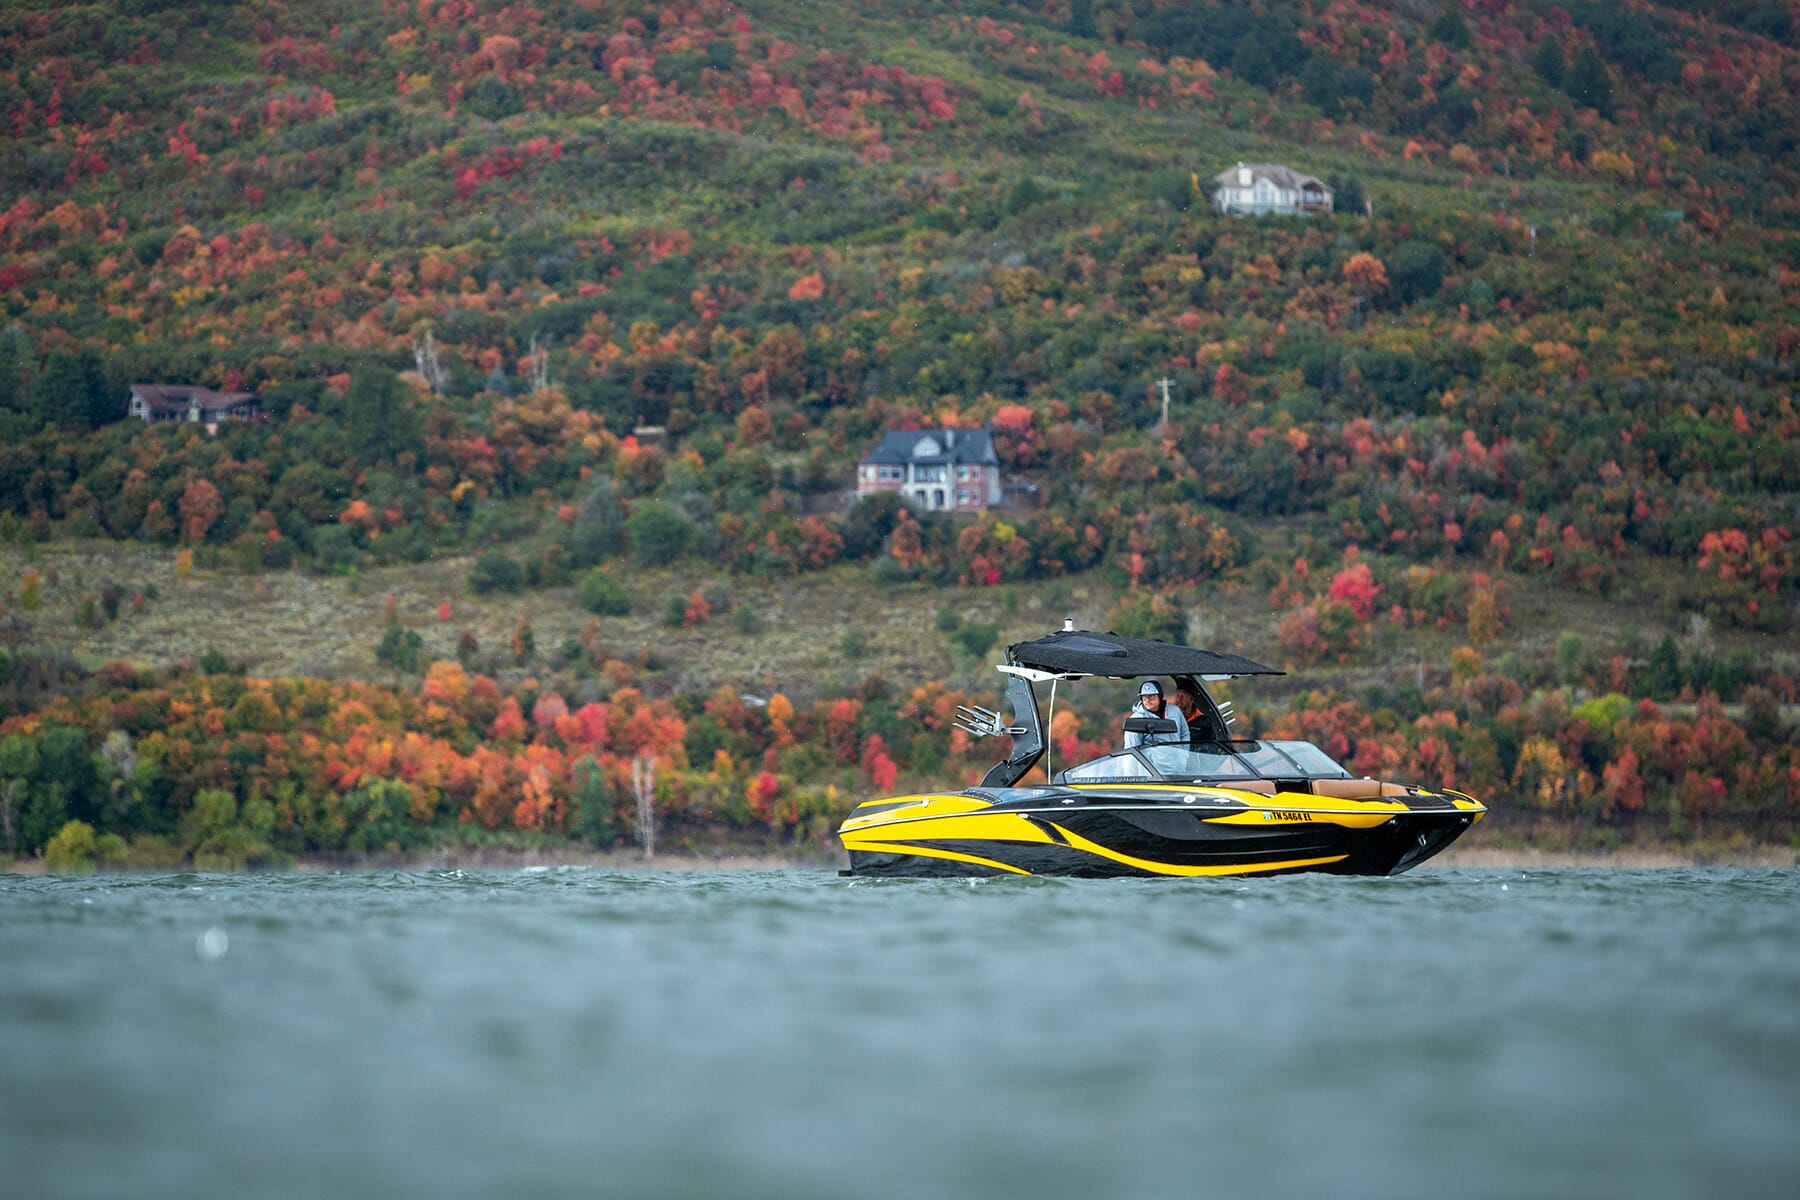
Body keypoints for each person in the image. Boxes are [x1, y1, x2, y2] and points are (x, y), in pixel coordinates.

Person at [1124, 680, 1188, 748]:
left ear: (1160, 696)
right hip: (1151, 759)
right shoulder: (1135, 721)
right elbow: (1131, 748)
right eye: (1144, 697)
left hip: (1177, 758)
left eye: (1151, 696)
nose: (1147, 700)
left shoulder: (1175, 710)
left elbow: (1185, 733)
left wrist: (1184, 754)